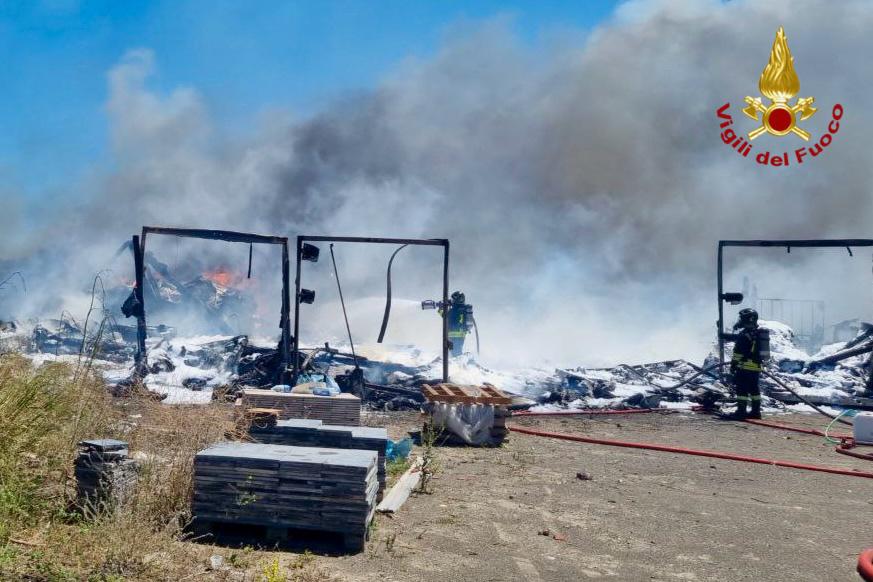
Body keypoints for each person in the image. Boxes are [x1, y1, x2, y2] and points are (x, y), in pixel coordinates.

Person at [727, 308, 765, 419]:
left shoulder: (745, 335)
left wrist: (733, 364)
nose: (740, 321)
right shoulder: (757, 333)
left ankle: (741, 412)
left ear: (748, 319)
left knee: (742, 389)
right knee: (754, 389)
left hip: (744, 367)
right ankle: (756, 412)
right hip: (756, 367)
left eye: (742, 319)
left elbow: (738, 352)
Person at [442, 291, 473, 357]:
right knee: (457, 352)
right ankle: (459, 363)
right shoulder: (464, 309)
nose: (452, 301)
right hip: (461, 335)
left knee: (454, 353)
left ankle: (459, 365)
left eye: (453, 300)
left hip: (453, 336)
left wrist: (441, 309)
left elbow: (445, 316)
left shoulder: (454, 310)